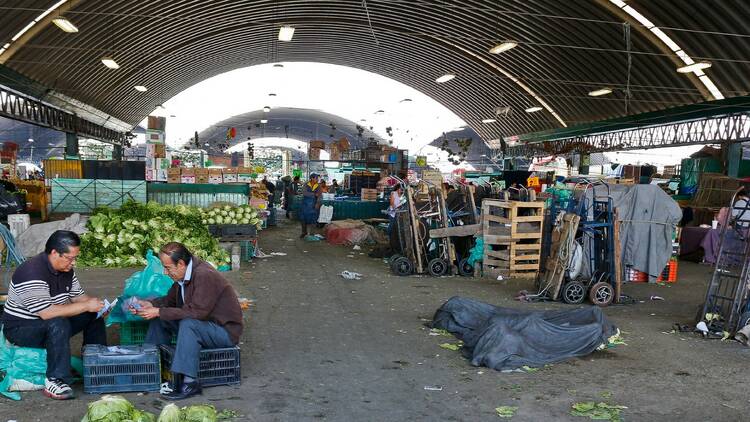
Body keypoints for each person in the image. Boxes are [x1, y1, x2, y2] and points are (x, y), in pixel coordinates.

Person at [1, 230, 106, 400]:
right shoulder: (31, 272)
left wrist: (98, 305)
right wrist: (86, 305)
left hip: (50, 324)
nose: (73, 263)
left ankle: (97, 365)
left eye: (75, 258)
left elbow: (79, 297)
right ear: (54, 253)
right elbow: (47, 313)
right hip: (21, 329)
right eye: (70, 258)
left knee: (93, 315)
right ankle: (56, 379)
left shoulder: (66, 270)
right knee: (58, 322)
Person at [130, 242, 243, 400]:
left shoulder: (204, 275)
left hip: (223, 332)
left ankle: (190, 383)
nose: (165, 272)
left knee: (188, 323)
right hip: (204, 325)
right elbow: (169, 301)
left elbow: (197, 313)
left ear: (181, 264)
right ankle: (152, 369)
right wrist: (151, 305)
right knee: (159, 319)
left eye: (168, 267)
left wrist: (159, 311)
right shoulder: (183, 276)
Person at [300, 173, 321, 238]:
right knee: (303, 219)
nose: (317, 179)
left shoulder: (318, 186)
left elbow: (320, 195)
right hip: (305, 205)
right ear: (312, 178)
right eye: (316, 178)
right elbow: (304, 192)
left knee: (313, 219)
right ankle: (304, 232)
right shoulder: (306, 184)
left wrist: (318, 203)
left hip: (314, 205)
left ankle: (312, 233)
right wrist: (314, 194)